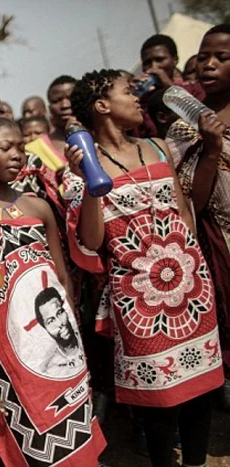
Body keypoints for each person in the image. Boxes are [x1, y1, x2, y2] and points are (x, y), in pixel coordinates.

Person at [65, 68, 223, 467]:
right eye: (127, 91)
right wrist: (87, 180)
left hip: (190, 285)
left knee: (201, 389)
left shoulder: (157, 146)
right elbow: (94, 240)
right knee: (158, 403)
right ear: (102, 106)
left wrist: (213, 148)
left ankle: (197, 463)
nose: (138, 98)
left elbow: (187, 215)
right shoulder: (85, 166)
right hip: (139, 300)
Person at [0, 117, 105, 466]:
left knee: (76, 428)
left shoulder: (37, 207)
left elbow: (60, 276)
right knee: (31, 443)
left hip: (60, 343)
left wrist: (70, 323)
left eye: (19, 147)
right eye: (5, 148)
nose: (16, 155)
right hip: (8, 351)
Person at [165, 23, 230, 408]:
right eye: (203, 56)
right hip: (220, 240)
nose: (208, 64)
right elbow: (194, 202)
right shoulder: (186, 124)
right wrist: (211, 148)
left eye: (221, 58)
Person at [134, 34, 205, 137]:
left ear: (175, 60)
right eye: (147, 63)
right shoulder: (144, 102)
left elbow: (201, 118)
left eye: (160, 59)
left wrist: (168, 85)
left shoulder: (195, 88)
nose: (153, 67)